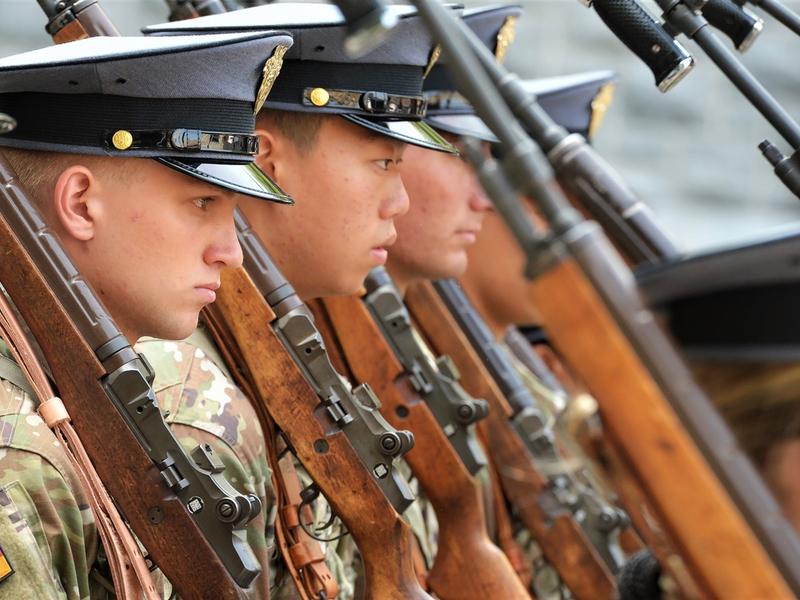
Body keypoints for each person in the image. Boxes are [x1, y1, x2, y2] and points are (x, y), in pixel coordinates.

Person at [142, 5, 459, 598]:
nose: (400, 201)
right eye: (383, 162)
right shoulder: (190, 391)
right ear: (267, 160)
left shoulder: (291, 337)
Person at [0, 30, 294, 600]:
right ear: (81, 204)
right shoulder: (15, 459)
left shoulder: (151, 378)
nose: (231, 253)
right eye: (203, 202)